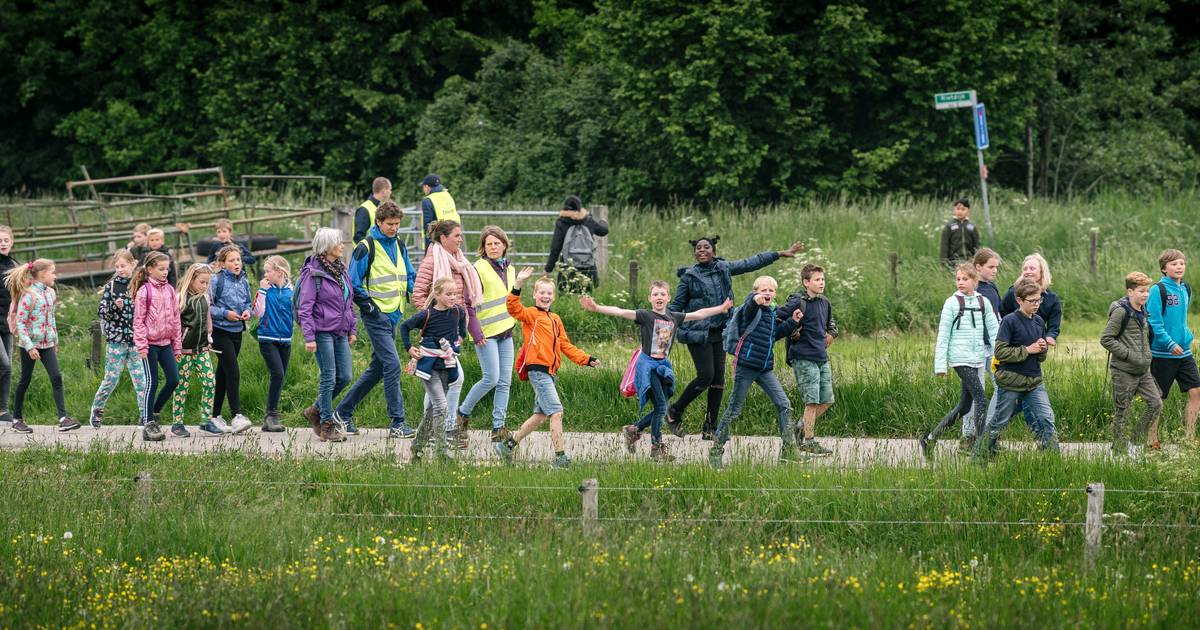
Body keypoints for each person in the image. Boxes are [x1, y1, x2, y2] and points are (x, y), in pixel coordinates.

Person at [667, 236, 804, 440]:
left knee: (718, 381)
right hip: (697, 332)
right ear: (694, 253)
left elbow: (750, 263)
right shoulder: (689, 277)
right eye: (698, 248)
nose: (701, 250)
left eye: (706, 247)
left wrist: (779, 254)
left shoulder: (723, 268)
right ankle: (674, 412)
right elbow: (676, 306)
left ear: (713, 250)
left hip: (720, 332)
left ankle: (710, 428)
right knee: (706, 376)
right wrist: (661, 323)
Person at [580, 284, 732, 461]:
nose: (659, 297)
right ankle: (656, 447)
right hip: (647, 366)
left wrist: (721, 308)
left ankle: (633, 430)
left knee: (661, 407)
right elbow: (621, 311)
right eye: (655, 294)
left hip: (663, 367)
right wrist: (597, 307)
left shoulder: (674, 317)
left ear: (668, 297)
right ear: (649, 298)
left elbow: (699, 314)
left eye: (662, 294)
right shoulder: (645, 316)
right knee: (661, 407)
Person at [493, 268, 600, 468]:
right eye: (541, 292)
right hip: (537, 370)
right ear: (535, 294)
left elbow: (565, 345)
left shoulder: (556, 319)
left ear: (553, 296)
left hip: (550, 373)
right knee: (557, 412)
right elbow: (513, 308)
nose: (545, 296)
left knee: (540, 415)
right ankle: (560, 458)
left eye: (549, 293)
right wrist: (518, 284)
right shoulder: (531, 315)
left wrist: (586, 359)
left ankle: (507, 446)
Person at [336, 201, 416, 438]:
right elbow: (353, 282)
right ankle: (397, 422)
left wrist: (413, 292)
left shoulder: (400, 244)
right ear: (379, 222)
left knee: (378, 368)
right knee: (392, 365)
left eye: (397, 224)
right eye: (390, 224)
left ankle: (342, 412)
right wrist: (371, 308)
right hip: (376, 316)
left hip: (395, 314)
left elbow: (409, 272)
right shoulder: (366, 247)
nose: (394, 228)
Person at [708, 277, 803, 468]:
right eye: (763, 290)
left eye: (771, 291)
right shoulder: (751, 309)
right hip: (746, 366)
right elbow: (750, 307)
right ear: (755, 291)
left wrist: (793, 321)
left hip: (764, 368)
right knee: (734, 410)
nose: (767, 293)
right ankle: (716, 450)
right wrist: (754, 300)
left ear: (775, 294)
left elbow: (774, 335)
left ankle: (789, 451)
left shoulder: (770, 312)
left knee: (784, 404)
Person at [412, 219, 484, 447]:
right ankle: (445, 428)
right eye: (456, 235)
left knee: (439, 384)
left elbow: (462, 301)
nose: (461, 239)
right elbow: (418, 295)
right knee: (454, 379)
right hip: (436, 336)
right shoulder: (432, 261)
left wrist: (459, 326)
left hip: (451, 334)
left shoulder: (460, 261)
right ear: (443, 238)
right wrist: (433, 319)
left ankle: (432, 430)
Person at [974, 278, 1059, 460]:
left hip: (1034, 381)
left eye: (1039, 300)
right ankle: (979, 459)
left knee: (1046, 419)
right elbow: (1001, 351)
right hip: (1011, 381)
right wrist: (1028, 350)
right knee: (998, 422)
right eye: (1032, 301)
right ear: (1020, 300)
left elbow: (1039, 356)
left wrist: (1042, 349)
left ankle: (1053, 460)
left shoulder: (1038, 321)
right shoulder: (1009, 321)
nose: (1037, 304)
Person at [919, 263, 998, 459]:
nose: (960, 282)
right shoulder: (951, 303)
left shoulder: (983, 302)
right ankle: (982, 448)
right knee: (981, 398)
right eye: (958, 279)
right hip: (959, 359)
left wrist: (1000, 355)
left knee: (964, 406)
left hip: (978, 358)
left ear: (975, 281)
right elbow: (943, 335)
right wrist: (940, 365)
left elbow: (995, 330)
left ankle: (930, 438)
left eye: (965, 279)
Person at [457, 226, 517, 443]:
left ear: (504, 245)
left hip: (506, 331)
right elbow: (468, 302)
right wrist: (474, 330)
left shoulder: (510, 269)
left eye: (497, 243)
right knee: (491, 378)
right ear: (483, 247)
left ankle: (498, 427)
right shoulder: (477, 269)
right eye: (489, 244)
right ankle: (462, 414)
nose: (493, 247)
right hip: (484, 333)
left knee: (504, 381)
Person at [298, 228, 357, 443]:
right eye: (338, 242)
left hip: (340, 331)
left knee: (345, 376)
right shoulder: (313, 273)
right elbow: (305, 307)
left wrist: (352, 329)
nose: (342, 245)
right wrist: (309, 337)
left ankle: (315, 409)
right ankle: (326, 423)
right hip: (322, 332)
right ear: (327, 246)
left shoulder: (341, 270)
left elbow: (348, 303)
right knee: (329, 377)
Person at [6, 258, 77, 434]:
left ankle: (63, 418)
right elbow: (21, 323)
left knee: (56, 377)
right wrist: (30, 347)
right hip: (29, 345)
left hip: (47, 344)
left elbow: (51, 318)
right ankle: (17, 419)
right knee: (25, 379)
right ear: (42, 274)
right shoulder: (28, 295)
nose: (55, 275)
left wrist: (55, 340)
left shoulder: (51, 293)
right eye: (52, 272)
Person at [401, 277, 467, 461]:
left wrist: (460, 338)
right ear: (437, 295)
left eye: (455, 293)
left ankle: (417, 446)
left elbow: (463, 328)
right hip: (429, 368)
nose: (453, 297)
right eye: (448, 294)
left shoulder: (458, 312)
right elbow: (404, 327)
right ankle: (441, 452)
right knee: (441, 406)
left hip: (447, 365)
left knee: (432, 411)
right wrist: (409, 348)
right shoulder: (426, 315)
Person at [999, 253, 1062, 440]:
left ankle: (1045, 443)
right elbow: (1002, 315)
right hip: (1012, 355)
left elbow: (1054, 325)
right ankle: (988, 441)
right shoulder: (1013, 293)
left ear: (1042, 271)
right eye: (1025, 268)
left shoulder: (1051, 298)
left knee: (1031, 401)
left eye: (1032, 268)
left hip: (1036, 355)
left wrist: (1049, 338)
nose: (1027, 271)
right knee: (1011, 407)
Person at [778, 264, 838, 456]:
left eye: (823, 279)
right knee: (811, 401)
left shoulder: (825, 302)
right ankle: (808, 441)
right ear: (806, 282)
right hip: (803, 357)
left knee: (827, 400)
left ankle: (798, 429)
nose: (822, 283)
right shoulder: (797, 301)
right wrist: (792, 330)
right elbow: (778, 318)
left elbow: (831, 323)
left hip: (821, 356)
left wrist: (832, 334)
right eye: (817, 280)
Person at [1100, 272, 1162, 455]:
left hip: (1143, 370)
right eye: (1141, 291)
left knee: (1156, 403)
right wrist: (1130, 355)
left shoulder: (1143, 309)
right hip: (1124, 370)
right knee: (1123, 410)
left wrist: (1145, 357)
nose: (1145, 295)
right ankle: (1119, 450)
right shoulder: (1121, 311)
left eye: (1147, 291)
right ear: (1130, 292)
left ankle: (1135, 439)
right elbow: (1106, 339)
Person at [89, 249, 150, 430]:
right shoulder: (112, 287)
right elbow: (102, 313)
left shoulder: (141, 285)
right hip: (116, 340)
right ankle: (97, 409)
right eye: (117, 267)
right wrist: (114, 307)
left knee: (141, 380)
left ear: (133, 264)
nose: (120, 269)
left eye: (123, 265)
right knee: (111, 378)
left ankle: (144, 416)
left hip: (136, 341)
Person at [1146, 248, 1198, 446]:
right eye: (1174, 264)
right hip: (1162, 353)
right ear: (1164, 268)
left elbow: (1181, 319)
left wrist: (1186, 336)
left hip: (1184, 353)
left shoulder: (1186, 289)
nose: (1179, 267)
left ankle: (1190, 438)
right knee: (1158, 398)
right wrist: (1169, 343)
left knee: (1196, 391)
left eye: (1182, 263)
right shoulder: (1157, 290)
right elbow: (1154, 323)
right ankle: (1152, 439)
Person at [132, 252, 181, 440]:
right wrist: (142, 346)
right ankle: (148, 423)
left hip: (166, 344)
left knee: (173, 380)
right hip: (150, 345)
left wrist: (177, 346)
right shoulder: (145, 291)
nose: (165, 272)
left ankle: (153, 412)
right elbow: (138, 322)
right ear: (150, 269)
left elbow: (176, 319)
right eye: (161, 269)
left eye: (167, 268)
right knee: (151, 382)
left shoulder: (169, 290)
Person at [208, 245, 253, 434]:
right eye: (232, 260)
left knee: (223, 374)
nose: (236, 263)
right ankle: (237, 416)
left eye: (238, 260)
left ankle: (215, 417)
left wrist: (247, 311)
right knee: (233, 371)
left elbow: (248, 303)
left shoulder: (244, 281)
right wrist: (225, 314)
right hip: (220, 332)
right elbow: (207, 306)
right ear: (222, 263)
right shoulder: (216, 281)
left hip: (237, 331)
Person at [174, 263, 219, 437]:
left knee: (209, 382)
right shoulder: (180, 297)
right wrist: (176, 345)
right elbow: (174, 323)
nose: (205, 286)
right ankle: (177, 423)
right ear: (191, 280)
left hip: (202, 350)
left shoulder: (204, 298)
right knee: (181, 387)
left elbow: (208, 321)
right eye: (202, 282)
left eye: (207, 283)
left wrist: (209, 338)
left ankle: (206, 421)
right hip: (183, 351)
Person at [251, 256, 293, 433]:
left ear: (280, 271)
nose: (265, 274)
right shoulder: (265, 290)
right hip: (267, 337)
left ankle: (271, 417)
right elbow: (257, 312)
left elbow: (299, 312)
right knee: (277, 373)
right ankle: (271, 416)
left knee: (281, 376)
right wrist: (261, 290)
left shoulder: (293, 290)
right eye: (265, 271)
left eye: (268, 271)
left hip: (286, 339)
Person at [544, 196, 609, 292]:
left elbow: (555, 248)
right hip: (588, 267)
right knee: (589, 299)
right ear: (580, 208)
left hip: (567, 267)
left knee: (565, 296)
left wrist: (548, 269)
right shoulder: (588, 220)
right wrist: (603, 222)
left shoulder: (561, 222)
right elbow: (603, 231)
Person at [0, 225, 19, 424]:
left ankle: (3, 410)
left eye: (6, 240)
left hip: (7, 323)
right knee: (3, 364)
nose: (3, 243)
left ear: (11, 242)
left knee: (8, 367)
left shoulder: (15, 264)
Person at [419, 174, 460, 248]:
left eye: (423, 187)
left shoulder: (428, 200)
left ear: (427, 187)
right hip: (453, 238)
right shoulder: (447, 195)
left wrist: (429, 247)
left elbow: (428, 227)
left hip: (438, 242)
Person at [352, 177, 393, 245]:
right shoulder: (364, 209)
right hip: (367, 254)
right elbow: (358, 237)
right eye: (390, 189)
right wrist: (371, 250)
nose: (390, 192)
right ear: (384, 191)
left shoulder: (379, 207)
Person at [939, 198, 980, 267]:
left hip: (969, 262)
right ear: (954, 210)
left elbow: (976, 245)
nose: (960, 211)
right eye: (957, 209)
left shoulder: (971, 227)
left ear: (968, 211)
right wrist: (944, 262)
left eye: (963, 209)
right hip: (953, 262)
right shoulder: (949, 227)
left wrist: (976, 260)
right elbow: (944, 245)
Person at [974, 248, 1002, 316]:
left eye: (996, 267)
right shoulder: (972, 289)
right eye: (991, 267)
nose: (995, 271)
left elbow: (999, 311)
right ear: (978, 267)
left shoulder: (992, 286)